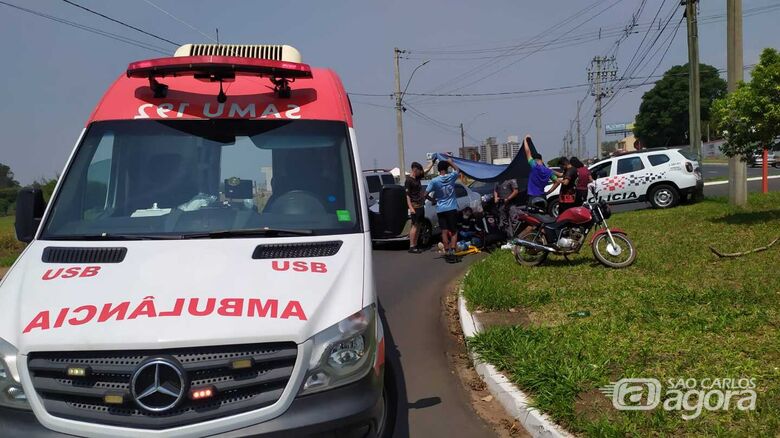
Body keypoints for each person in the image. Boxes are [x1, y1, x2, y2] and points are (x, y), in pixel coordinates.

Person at [426, 157, 462, 263]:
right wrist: (451, 162)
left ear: (438, 170)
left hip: (441, 209)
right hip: (451, 208)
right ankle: (453, 251)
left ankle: (446, 251)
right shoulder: (451, 177)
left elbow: (424, 194)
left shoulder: (434, 181)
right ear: (447, 168)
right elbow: (458, 170)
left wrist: (433, 200)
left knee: (444, 231)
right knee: (454, 231)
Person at [522, 135, 562, 209]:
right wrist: (549, 192)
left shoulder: (533, 165)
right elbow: (557, 182)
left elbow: (527, 152)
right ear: (542, 160)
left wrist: (525, 139)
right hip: (542, 196)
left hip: (532, 196)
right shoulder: (548, 171)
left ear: (534, 160)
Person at [405, 160, 435, 254]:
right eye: (419, 170)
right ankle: (411, 246)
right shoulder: (408, 181)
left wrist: (433, 161)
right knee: (414, 225)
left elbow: (426, 170)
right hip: (415, 206)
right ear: (415, 169)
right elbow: (407, 196)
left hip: (421, 205)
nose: (420, 172)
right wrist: (411, 207)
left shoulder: (417, 178)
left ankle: (416, 244)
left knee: (419, 225)